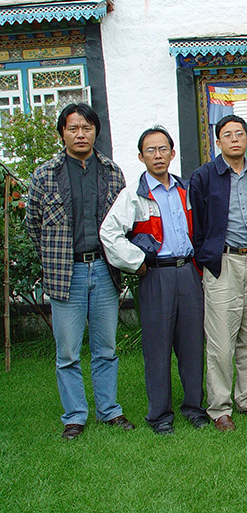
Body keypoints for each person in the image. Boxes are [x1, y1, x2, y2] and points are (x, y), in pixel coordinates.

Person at [26, 103, 135, 440]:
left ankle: (109, 410)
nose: (80, 134)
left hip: (103, 269)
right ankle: (74, 416)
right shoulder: (45, 174)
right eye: (73, 128)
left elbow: (123, 222)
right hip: (66, 273)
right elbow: (33, 224)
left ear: (95, 131)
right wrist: (54, 257)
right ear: (63, 132)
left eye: (86, 128)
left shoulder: (112, 172)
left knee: (106, 349)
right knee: (68, 353)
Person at [100, 126, 210, 435]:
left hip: (188, 272)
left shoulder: (186, 190)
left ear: (173, 154)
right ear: (141, 156)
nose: (158, 155)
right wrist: (136, 262)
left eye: (163, 149)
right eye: (151, 150)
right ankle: (160, 416)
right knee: (157, 349)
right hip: (155, 275)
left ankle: (194, 408)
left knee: (192, 346)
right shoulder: (133, 196)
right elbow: (109, 233)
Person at [189, 114, 247, 432]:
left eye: (240, 133)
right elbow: (198, 226)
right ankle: (219, 407)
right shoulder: (204, 176)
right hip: (223, 264)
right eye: (228, 135)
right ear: (218, 142)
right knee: (221, 342)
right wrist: (208, 258)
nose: (235, 139)